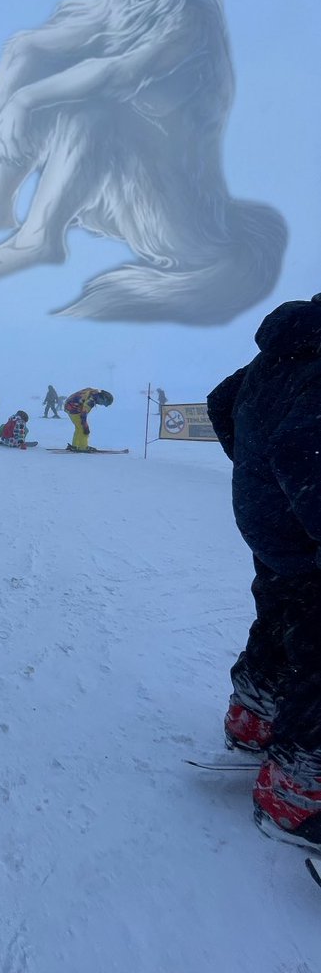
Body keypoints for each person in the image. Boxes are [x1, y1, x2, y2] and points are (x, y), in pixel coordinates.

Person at [207, 293, 321, 848]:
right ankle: (299, 795)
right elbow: (306, 445)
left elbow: (222, 399)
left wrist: (256, 479)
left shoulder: (282, 350)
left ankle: (254, 717)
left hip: (272, 519)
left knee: (281, 619)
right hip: (302, 525)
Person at [62, 387, 113, 451]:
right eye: (103, 403)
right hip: (73, 408)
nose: (101, 404)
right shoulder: (91, 400)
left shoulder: (93, 392)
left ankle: (75, 445)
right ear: (103, 398)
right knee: (84, 429)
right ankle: (83, 447)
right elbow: (83, 414)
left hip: (69, 405)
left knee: (79, 428)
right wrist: (85, 425)